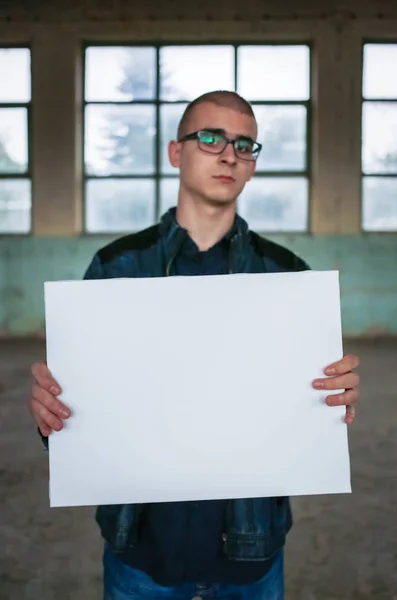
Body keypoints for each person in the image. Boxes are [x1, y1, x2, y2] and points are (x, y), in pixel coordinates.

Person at [28, 90, 360, 600]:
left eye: (245, 144)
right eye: (210, 137)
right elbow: (77, 418)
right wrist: (53, 415)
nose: (229, 153)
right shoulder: (117, 268)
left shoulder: (288, 278)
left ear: (251, 166)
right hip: (139, 556)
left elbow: (309, 414)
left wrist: (334, 400)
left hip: (251, 559)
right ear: (175, 152)